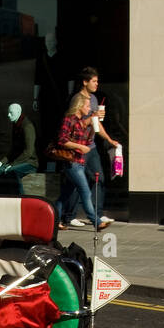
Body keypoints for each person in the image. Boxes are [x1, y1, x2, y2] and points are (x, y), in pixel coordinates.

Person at [67, 68, 119, 228]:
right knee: (76, 183)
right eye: (94, 81)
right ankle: (69, 216)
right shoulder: (77, 99)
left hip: (92, 147)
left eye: (97, 81)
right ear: (85, 82)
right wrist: (90, 119)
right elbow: (72, 123)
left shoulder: (95, 99)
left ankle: (97, 214)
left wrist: (109, 139)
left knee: (99, 178)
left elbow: (97, 124)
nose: (97, 84)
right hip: (79, 148)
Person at [53, 93, 107, 232]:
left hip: (79, 162)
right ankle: (96, 221)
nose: (89, 109)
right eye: (87, 106)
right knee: (85, 191)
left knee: (65, 195)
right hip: (72, 163)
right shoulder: (69, 119)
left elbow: (88, 141)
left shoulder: (81, 122)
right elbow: (62, 140)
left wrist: (93, 123)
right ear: (79, 105)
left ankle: (54, 220)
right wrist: (79, 147)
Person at [0, 103, 38, 194]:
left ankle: (20, 198)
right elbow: (14, 148)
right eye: (8, 112)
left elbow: (28, 152)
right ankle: (1, 198)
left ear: (19, 112)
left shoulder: (27, 126)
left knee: (11, 172)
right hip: (18, 161)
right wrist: (2, 162)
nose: (8, 115)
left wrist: (13, 164)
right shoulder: (16, 124)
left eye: (11, 113)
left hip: (30, 162)